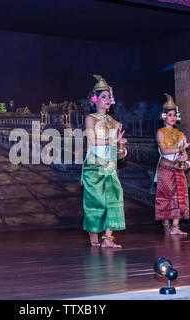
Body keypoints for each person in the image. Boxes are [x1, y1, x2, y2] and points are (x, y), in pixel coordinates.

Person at [82, 74, 127, 248]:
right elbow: (92, 142)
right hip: (94, 166)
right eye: (103, 96)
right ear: (95, 99)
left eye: (109, 96)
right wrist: (113, 141)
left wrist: (121, 152)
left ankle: (108, 238)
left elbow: (115, 148)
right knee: (96, 202)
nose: (107, 99)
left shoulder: (115, 123)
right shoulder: (90, 119)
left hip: (109, 166)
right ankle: (94, 237)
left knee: (114, 200)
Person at [154, 93, 190, 235]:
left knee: (179, 196)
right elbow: (164, 150)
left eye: (174, 115)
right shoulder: (161, 132)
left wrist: (185, 161)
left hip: (177, 167)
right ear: (164, 116)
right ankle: (166, 222)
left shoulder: (181, 134)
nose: (173, 117)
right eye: (170, 114)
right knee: (167, 196)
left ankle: (175, 227)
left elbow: (184, 155)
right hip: (165, 167)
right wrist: (182, 148)